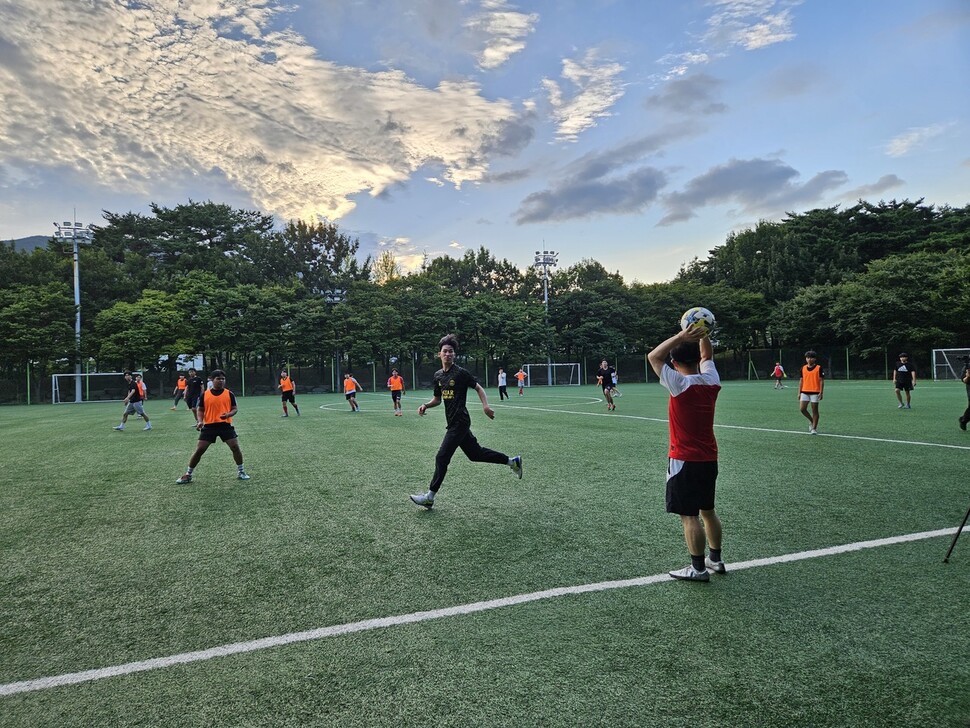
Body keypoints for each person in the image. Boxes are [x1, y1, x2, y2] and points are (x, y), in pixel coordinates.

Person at [409, 334, 522, 509]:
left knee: (442, 457)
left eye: (451, 352)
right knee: (475, 454)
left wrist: (485, 406)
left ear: (454, 355)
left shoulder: (460, 373)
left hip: (460, 422)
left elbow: (478, 387)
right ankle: (512, 461)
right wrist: (425, 405)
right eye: (445, 351)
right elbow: (437, 399)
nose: (448, 354)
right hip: (453, 422)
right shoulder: (438, 376)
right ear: (439, 354)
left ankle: (430, 496)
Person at [648, 323, 724, 582]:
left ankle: (698, 568)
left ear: (674, 361)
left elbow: (653, 357)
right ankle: (715, 559)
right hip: (709, 457)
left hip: (683, 459)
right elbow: (707, 357)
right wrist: (704, 335)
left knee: (689, 515)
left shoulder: (678, 383)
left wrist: (681, 335)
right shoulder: (711, 380)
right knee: (708, 511)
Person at [176, 370, 250, 483]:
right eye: (218, 379)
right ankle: (188, 474)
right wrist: (200, 421)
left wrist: (229, 414)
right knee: (200, 449)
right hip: (209, 426)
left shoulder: (229, 393)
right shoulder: (205, 394)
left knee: (235, 447)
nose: (221, 381)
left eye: (223, 379)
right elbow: (200, 409)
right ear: (212, 379)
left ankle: (241, 471)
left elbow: (235, 408)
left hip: (225, 425)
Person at [798, 351, 824, 434]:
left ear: (815, 359)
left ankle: (814, 428)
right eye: (807, 358)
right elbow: (801, 381)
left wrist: (821, 392)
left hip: (815, 392)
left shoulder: (819, 368)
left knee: (814, 410)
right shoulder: (803, 368)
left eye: (811, 358)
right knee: (802, 409)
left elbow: (821, 381)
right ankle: (812, 420)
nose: (809, 359)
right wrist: (799, 392)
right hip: (804, 391)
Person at [959, 355, 970, 431]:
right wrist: (968, 376)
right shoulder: (967, 367)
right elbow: (964, 380)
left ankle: (964, 419)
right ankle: (964, 420)